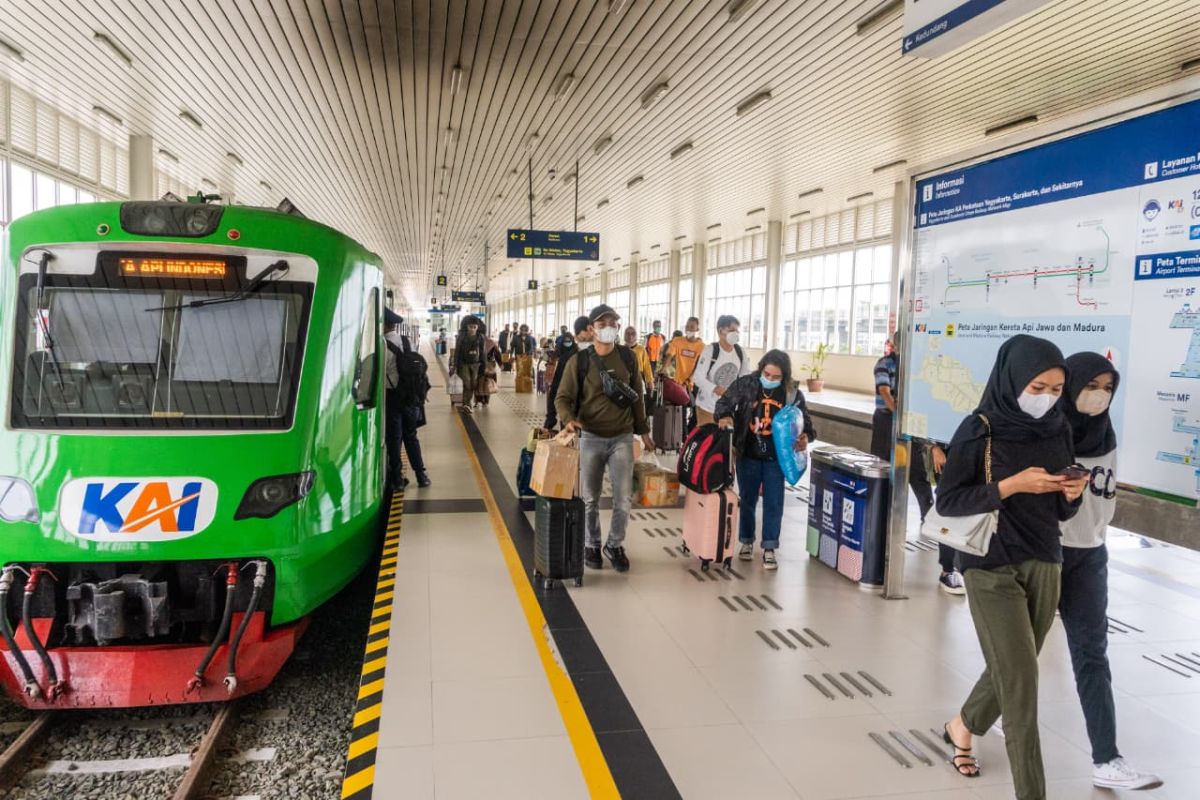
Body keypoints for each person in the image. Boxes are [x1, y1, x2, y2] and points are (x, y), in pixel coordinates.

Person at [938, 335, 1087, 798]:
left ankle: (963, 725)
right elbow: (948, 502)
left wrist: (1070, 496)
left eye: (1056, 390)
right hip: (989, 562)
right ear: (1013, 378)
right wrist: (1010, 486)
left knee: (1013, 665)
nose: (1046, 398)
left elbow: (1060, 512)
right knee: (1022, 684)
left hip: (1044, 558)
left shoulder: (1059, 428)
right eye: (1037, 386)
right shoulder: (978, 428)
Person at [1058, 353, 1161, 791]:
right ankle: (983, 716)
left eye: (1107, 386)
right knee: (1018, 649)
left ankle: (1107, 757)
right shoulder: (1049, 431)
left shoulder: (1107, 433)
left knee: (1092, 654)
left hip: (1090, 554)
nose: (1099, 394)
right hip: (1045, 552)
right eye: (1091, 384)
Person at [556, 305, 653, 573]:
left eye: (613, 323)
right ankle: (592, 543)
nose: (608, 327)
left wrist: (644, 431)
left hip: (622, 436)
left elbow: (637, 397)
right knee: (590, 498)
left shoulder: (628, 358)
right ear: (591, 329)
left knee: (622, 498)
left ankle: (614, 544)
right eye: (602, 323)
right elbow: (562, 397)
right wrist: (568, 419)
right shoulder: (580, 361)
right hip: (591, 437)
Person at [871, 331, 964, 594]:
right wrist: (900, 413)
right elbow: (885, 392)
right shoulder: (886, 363)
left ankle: (929, 521)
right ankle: (882, 519)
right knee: (884, 472)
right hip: (888, 422)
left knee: (917, 477)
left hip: (914, 425)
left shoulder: (922, 366)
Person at [715, 350, 815, 570]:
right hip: (747, 454)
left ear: (784, 376)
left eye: (775, 377)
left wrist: (805, 438)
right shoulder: (747, 384)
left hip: (776, 459)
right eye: (766, 374)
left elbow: (806, 425)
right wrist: (725, 416)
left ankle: (769, 547)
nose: (769, 379)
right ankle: (747, 541)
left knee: (774, 502)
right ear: (760, 369)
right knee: (748, 499)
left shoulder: (792, 393)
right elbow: (723, 403)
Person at [383, 309, 430, 489]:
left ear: (385, 325)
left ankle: (397, 478)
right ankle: (421, 475)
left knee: (394, 438)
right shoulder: (406, 340)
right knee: (411, 436)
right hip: (411, 396)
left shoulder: (384, 345)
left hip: (393, 397)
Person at [693, 314, 752, 428]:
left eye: (737, 331)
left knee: (726, 442)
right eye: (732, 330)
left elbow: (745, 377)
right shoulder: (711, 350)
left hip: (728, 409)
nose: (736, 333)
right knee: (709, 441)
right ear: (721, 331)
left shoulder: (740, 352)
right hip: (707, 407)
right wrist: (715, 388)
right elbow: (698, 377)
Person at [544, 316, 591, 430]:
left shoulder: (602, 358)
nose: (588, 343)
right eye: (584, 339)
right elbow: (556, 389)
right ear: (576, 337)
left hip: (595, 419)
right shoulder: (567, 359)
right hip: (572, 416)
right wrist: (550, 418)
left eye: (590, 340)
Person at [450, 315, 487, 414]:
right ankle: (467, 404)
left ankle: (467, 403)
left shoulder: (480, 337)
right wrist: (455, 365)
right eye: (471, 327)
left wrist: (484, 365)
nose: (472, 329)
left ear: (477, 327)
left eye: (474, 327)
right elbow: (457, 351)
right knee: (467, 383)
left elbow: (483, 353)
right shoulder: (461, 337)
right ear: (467, 327)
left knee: (473, 384)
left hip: (476, 364)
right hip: (464, 364)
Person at [623, 325, 656, 418]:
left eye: (633, 334)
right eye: (628, 334)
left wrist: (650, 381)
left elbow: (647, 366)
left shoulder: (641, 349)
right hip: (624, 380)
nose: (630, 336)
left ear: (636, 336)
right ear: (624, 336)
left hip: (638, 378)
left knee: (639, 402)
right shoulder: (620, 349)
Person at [477, 332, 501, 408]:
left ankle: (482, 400)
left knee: (484, 382)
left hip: (486, 365)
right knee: (484, 382)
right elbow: (497, 354)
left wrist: (500, 363)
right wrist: (500, 363)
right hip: (486, 365)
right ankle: (483, 400)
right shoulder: (490, 342)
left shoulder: (477, 341)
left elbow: (497, 353)